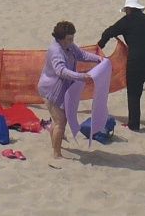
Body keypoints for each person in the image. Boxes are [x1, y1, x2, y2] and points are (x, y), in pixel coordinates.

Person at [98, 0, 145, 136]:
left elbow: (108, 32)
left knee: (134, 92)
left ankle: (134, 124)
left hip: (137, 60)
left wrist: (99, 46)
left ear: (129, 9)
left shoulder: (126, 21)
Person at [37, 21, 103, 159]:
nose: (72, 41)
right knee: (60, 121)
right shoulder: (55, 51)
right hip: (50, 90)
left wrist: (99, 59)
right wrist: (80, 77)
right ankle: (56, 153)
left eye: (72, 38)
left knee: (59, 121)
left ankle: (56, 144)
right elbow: (60, 71)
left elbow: (81, 55)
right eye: (69, 39)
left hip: (62, 89)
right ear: (61, 38)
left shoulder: (69, 45)